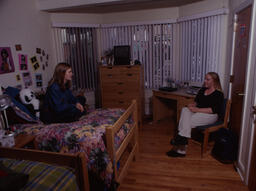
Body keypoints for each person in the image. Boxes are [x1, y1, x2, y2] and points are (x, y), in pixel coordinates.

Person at [166, 72, 224, 157]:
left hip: (211, 115)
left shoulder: (219, 94)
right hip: (198, 112)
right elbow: (196, 102)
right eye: (205, 79)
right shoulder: (202, 90)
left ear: (214, 81)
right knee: (185, 110)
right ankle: (182, 140)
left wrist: (197, 109)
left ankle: (180, 146)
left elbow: (213, 110)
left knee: (186, 121)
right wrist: (192, 105)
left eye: (207, 79)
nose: (205, 81)